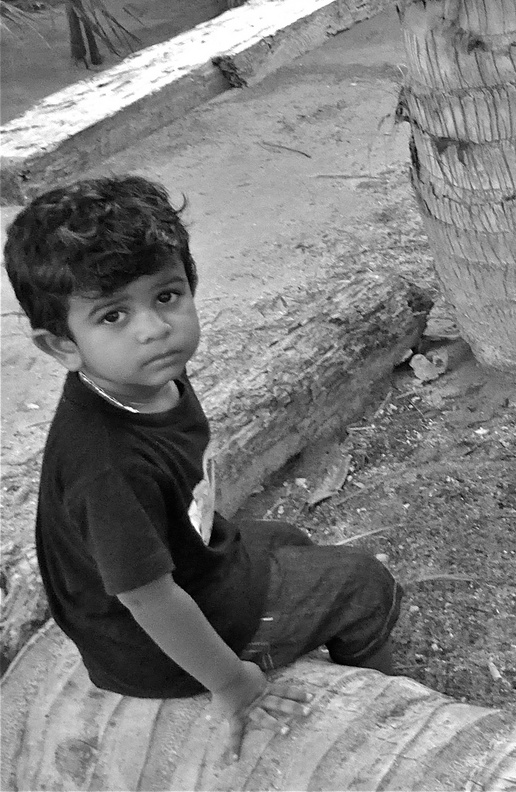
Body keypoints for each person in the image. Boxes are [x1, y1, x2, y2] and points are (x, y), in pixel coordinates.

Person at [4, 175, 403, 761]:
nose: (153, 327)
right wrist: (233, 684)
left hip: (190, 565)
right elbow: (148, 599)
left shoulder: (147, 374)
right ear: (61, 346)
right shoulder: (107, 466)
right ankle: (385, 708)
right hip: (144, 648)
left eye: (166, 296)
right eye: (113, 315)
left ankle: (299, 624)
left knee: (290, 538)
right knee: (365, 583)